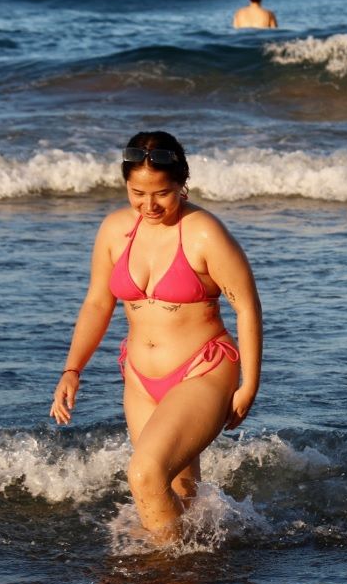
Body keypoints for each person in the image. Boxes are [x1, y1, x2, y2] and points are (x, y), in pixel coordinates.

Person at [50, 131, 263, 544]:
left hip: (203, 369)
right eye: (137, 193)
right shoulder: (114, 230)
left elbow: (247, 307)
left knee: (144, 474)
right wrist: (72, 369)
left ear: (182, 183)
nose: (149, 205)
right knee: (178, 488)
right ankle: (201, 571)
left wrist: (248, 385)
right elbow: (97, 303)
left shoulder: (203, 233)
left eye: (162, 193)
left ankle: (168, 578)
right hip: (140, 378)